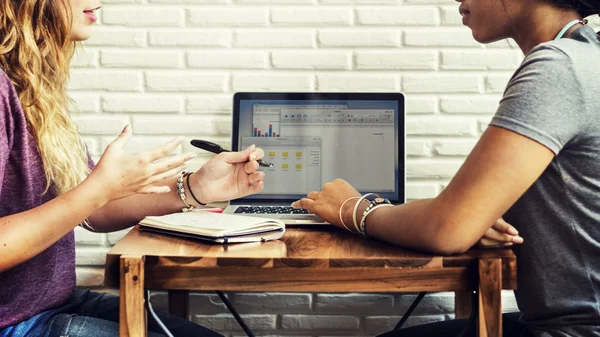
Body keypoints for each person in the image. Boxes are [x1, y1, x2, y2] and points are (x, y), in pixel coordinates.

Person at [292, 0, 600, 335]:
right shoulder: (585, 58)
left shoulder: (559, 67)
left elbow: (447, 228)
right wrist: (477, 216)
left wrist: (354, 209)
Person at [0, 1, 267, 336]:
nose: (98, 2)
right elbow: (90, 200)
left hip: (52, 302)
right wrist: (98, 189)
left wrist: (196, 188)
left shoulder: (35, 88)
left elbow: (93, 212)